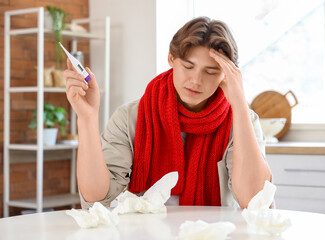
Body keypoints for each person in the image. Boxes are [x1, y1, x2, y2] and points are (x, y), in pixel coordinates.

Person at [64, 16, 272, 209]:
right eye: (188, 66)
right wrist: (87, 118)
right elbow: (97, 198)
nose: (196, 80)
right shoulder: (130, 118)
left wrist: (240, 106)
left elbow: (255, 202)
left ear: (226, 76)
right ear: (171, 59)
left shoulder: (242, 120)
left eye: (211, 71)